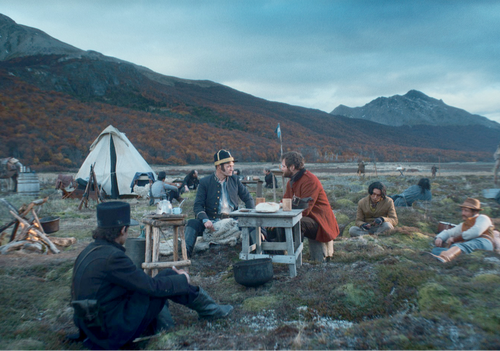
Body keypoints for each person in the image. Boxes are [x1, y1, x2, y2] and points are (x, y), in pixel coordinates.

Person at [71, 202, 232, 350]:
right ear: (122, 230)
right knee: (167, 279)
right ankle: (211, 311)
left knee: (165, 279)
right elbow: (151, 287)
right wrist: (182, 279)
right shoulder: (113, 257)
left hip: (93, 326)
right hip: (110, 332)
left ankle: (168, 325)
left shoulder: (89, 251)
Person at [184, 150, 255, 257]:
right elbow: (198, 205)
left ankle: (260, 254)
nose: (232, 169)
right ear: (218, 167)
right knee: (192, 223)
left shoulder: (235, 180)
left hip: (233, 221)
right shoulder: (205, 182)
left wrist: (249, 215)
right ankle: (185, 256)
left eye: (232, 166)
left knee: (254, 224)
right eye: (228, 166)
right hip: (212, 222)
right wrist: (205, 219)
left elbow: (248, 199)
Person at [281, 151, 340, 243]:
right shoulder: (291, 182)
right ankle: (279, 254)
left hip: (320, 222)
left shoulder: (309, 181)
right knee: (275, 226)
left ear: (292, 167)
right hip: (309, 218)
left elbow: (305, 209)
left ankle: (295, 254)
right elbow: (285, 201)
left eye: (283, 166)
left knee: (295, 223)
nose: (282, 169)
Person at [431, 198, 495, 262]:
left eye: (466, 211)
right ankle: (446, 257)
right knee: (436, 250)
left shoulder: (483, 218)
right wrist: (439, 238)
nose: (463, 213)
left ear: (475, 212)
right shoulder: (464, 225)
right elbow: (449, 232)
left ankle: (444, 258)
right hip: (469, 244)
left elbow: (476, 232)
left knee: (459, 246)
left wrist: (454, 239)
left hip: (483, 242)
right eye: (462, 210)